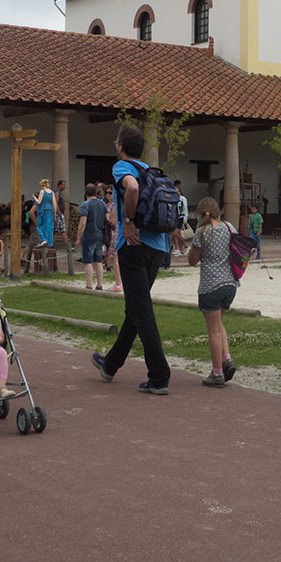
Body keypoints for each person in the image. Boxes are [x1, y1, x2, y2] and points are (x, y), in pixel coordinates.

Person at [91, 123, 172, 395]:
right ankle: (111, 363)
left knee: (143, 310)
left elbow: (133, 189)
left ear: (121, 147)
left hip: (134, 246)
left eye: (116, 143)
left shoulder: (122, 168)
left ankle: (159, 376)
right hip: (157, 246)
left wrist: (127, 221)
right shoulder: (149, 169)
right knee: (135, 309)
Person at [187, 197, 239, 388]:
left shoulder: (201, 233)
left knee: (213, 330)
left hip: (210, 285)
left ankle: (217, 372)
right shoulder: (229, 227)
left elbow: (192, 261)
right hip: (230, 283)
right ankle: (226, 358)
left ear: (200, 214)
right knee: (219, 325)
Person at [77, 183, 107, 290]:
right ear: (96, 193)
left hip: (89, 234)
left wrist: (78, 237)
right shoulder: (102, 204)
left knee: (88, 261)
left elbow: (82, 223)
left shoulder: (86, 204)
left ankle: (89, 285)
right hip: (99, 234)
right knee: (98, 261)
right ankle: (99, 284)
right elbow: (107, 219)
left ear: (86, 193)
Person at [103, 186, 123, 292]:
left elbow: (112, 220)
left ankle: (119, 283)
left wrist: (106, 219)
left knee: (115, 258)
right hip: (108, 232)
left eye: (110, 193)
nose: (108, 195)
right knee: (111, 257)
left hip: (113, 233)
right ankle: (118, 282)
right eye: (106, 193)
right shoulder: (107, 204)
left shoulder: (115, 205)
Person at [32, 178, 55, 248]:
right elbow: (54, 203)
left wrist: (34, 197)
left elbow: (39, 202)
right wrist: (55, 213)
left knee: (39, 226)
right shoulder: (52, 192)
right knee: (48, 226)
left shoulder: (42, 191)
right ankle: (49, 242)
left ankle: (43, 239)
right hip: (50, 210)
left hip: (42, 210)